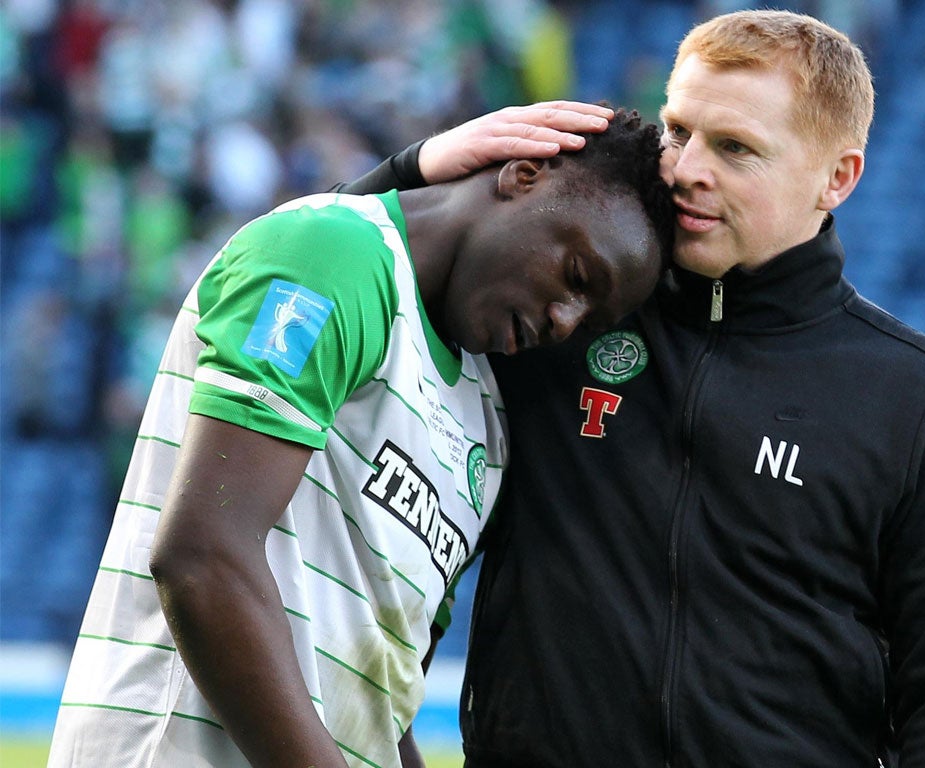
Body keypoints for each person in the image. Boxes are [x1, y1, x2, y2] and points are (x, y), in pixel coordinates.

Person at [335, 10, 925, 767]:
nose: (689, 167)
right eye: (678, 130)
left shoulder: (920, 401)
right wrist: (418, 165)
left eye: (735, 148)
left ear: (837, 178)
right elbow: (304, 280)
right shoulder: (560, 309)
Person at [46, 107, 674, 768]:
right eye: (577, 276)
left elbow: (385, 693)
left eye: (591, 318)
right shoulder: (334, 255)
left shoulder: (488, 419)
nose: (565, 321)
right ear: (523, 175)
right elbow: (203, 559)